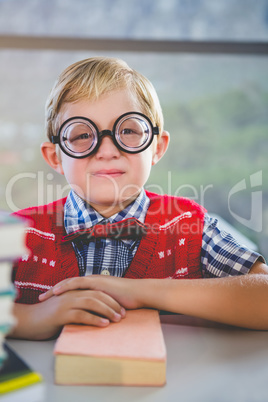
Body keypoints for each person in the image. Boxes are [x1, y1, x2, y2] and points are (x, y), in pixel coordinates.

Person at [10, 56, 268, 340]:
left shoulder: (189, 226)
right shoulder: (19, 232)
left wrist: (137, 292)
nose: (106, 150)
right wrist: (26, 318)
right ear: (55, 156)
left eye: (129, 131)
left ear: (157, 148)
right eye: (82, 135)